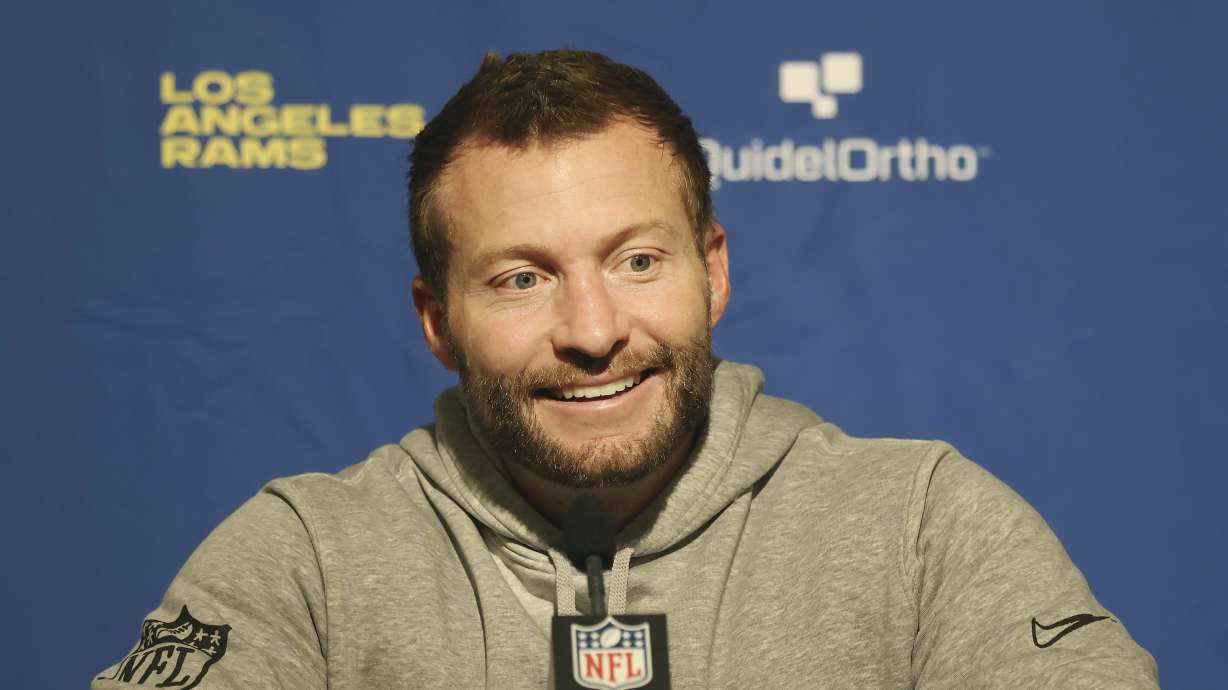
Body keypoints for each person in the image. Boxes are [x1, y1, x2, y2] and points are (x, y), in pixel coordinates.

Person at [93, 49, 1158, 689]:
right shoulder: (307, 561)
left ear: (713, 270)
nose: (594, 330)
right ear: (436, 319)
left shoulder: (924, 527)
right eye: (521, 279)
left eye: (636, 260)